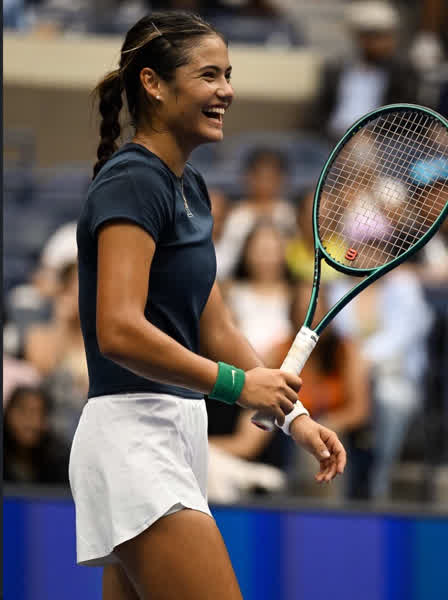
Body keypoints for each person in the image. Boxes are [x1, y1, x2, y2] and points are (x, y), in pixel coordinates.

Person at [68, 11, 346, 600]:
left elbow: (213, 324)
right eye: (209, 75)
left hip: (176, 432)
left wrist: (293, 417)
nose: (227, 91)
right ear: (153, 83)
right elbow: (118, 329)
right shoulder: (133, 180)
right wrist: (237, 387)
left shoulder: (189, 186)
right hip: (134, 435)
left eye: (229, 75)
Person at [306, 1, 420, 144]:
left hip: (379, 141)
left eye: (388, 36)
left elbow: (407, 117)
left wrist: (369, 133)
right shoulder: (335, 69)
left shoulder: (403, 73)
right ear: (360, 38)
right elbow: (319, 113)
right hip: (330, 139)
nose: (386, 43)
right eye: (377, 36)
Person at [3, 385, 70, 485]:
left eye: (37, 412)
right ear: (8, 413)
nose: (29, 420)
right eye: (22, 411)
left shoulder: (60, 457)